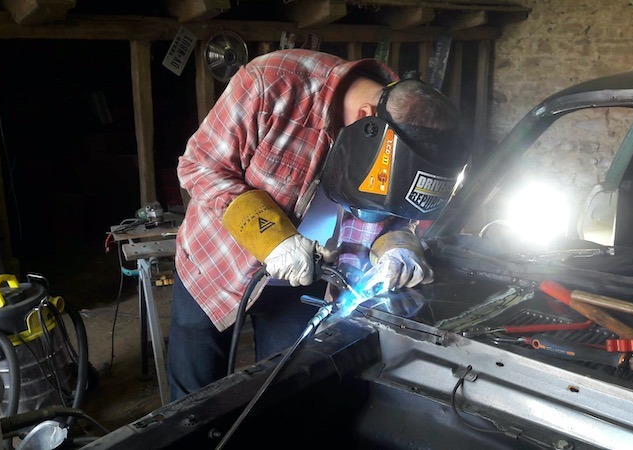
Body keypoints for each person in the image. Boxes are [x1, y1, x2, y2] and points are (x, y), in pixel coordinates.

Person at [166, 48, 468, 402]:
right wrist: (272, 237)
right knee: (192, 402)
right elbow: (200, 166)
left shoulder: (411, 122)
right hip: (216, 267)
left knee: (285, 390)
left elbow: (399, 215)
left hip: (303, 281)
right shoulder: (272, 82)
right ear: (366, 119)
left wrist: (399, 244)